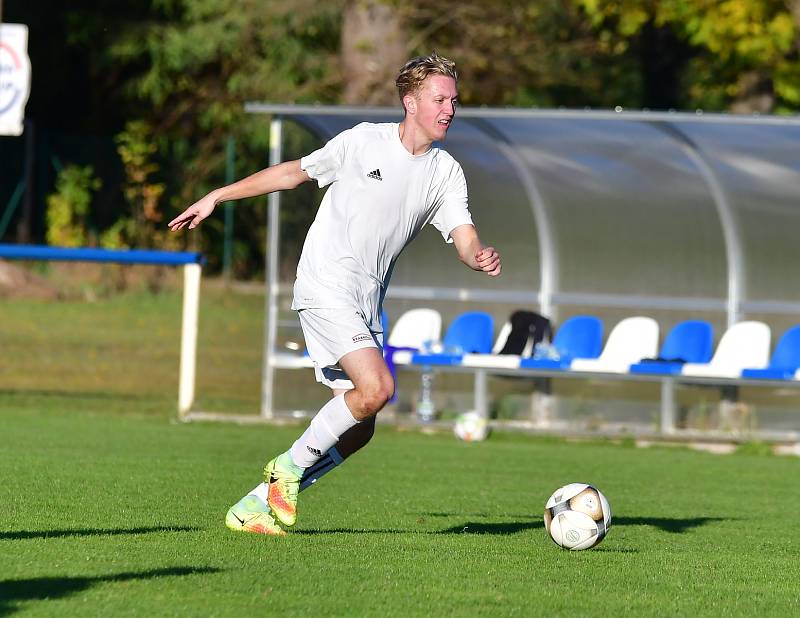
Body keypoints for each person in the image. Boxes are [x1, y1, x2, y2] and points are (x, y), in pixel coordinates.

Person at [168, 52, 501, 535]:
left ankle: (259, 502)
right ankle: (286, 468)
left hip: (367, 301)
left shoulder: (445, 172)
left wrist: (477, 255)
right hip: (325, 283)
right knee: (378, 388)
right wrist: (218, 195)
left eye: (454, 99)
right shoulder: (362, 142)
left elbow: (463, 233)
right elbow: (292, 173)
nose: (449, 108)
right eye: (439, 99)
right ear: (410, 102)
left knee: (361, 425)